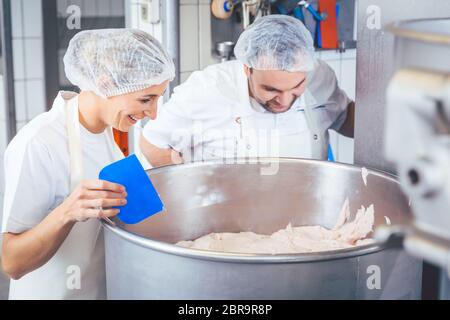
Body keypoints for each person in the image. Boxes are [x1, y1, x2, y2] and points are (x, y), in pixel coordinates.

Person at [1, 29, 175, 299]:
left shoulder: (109, 136)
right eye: (146, 99)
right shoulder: (39, 143)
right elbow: (12, 261)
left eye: (157, 98)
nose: (153, 113)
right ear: (106, 84)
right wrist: (67, 212)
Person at [140, 15, 354, 166]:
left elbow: (344, 118)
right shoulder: (206, 90)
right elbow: (151, 143)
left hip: (306, 215)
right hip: (226, 221)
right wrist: (189, 186)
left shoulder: (320, 77)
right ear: (247, 68)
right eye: (271, 89)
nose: (285, 100)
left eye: (297, 86)